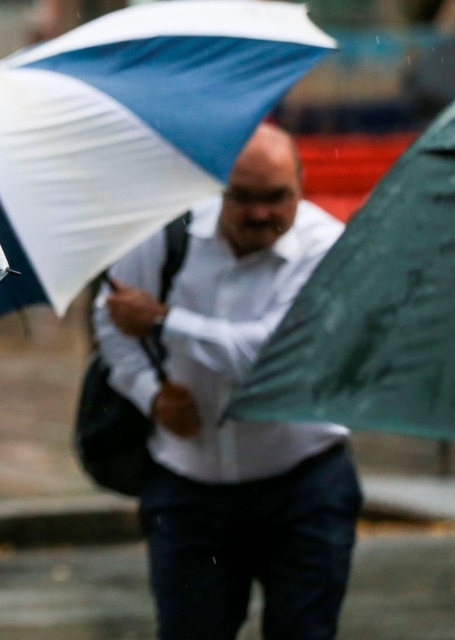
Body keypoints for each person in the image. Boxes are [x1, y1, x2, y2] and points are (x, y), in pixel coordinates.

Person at [94, 123, 362, 640]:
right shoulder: (166, 235)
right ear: (216, 187)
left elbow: (270, 354)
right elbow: (112, 322)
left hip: (304, 484)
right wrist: (150, 394)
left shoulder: (327, 246)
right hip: (189, 490)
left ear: (301, 188)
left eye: (276, 198)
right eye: (242, 197)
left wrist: (163, 320)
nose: (260, 213)